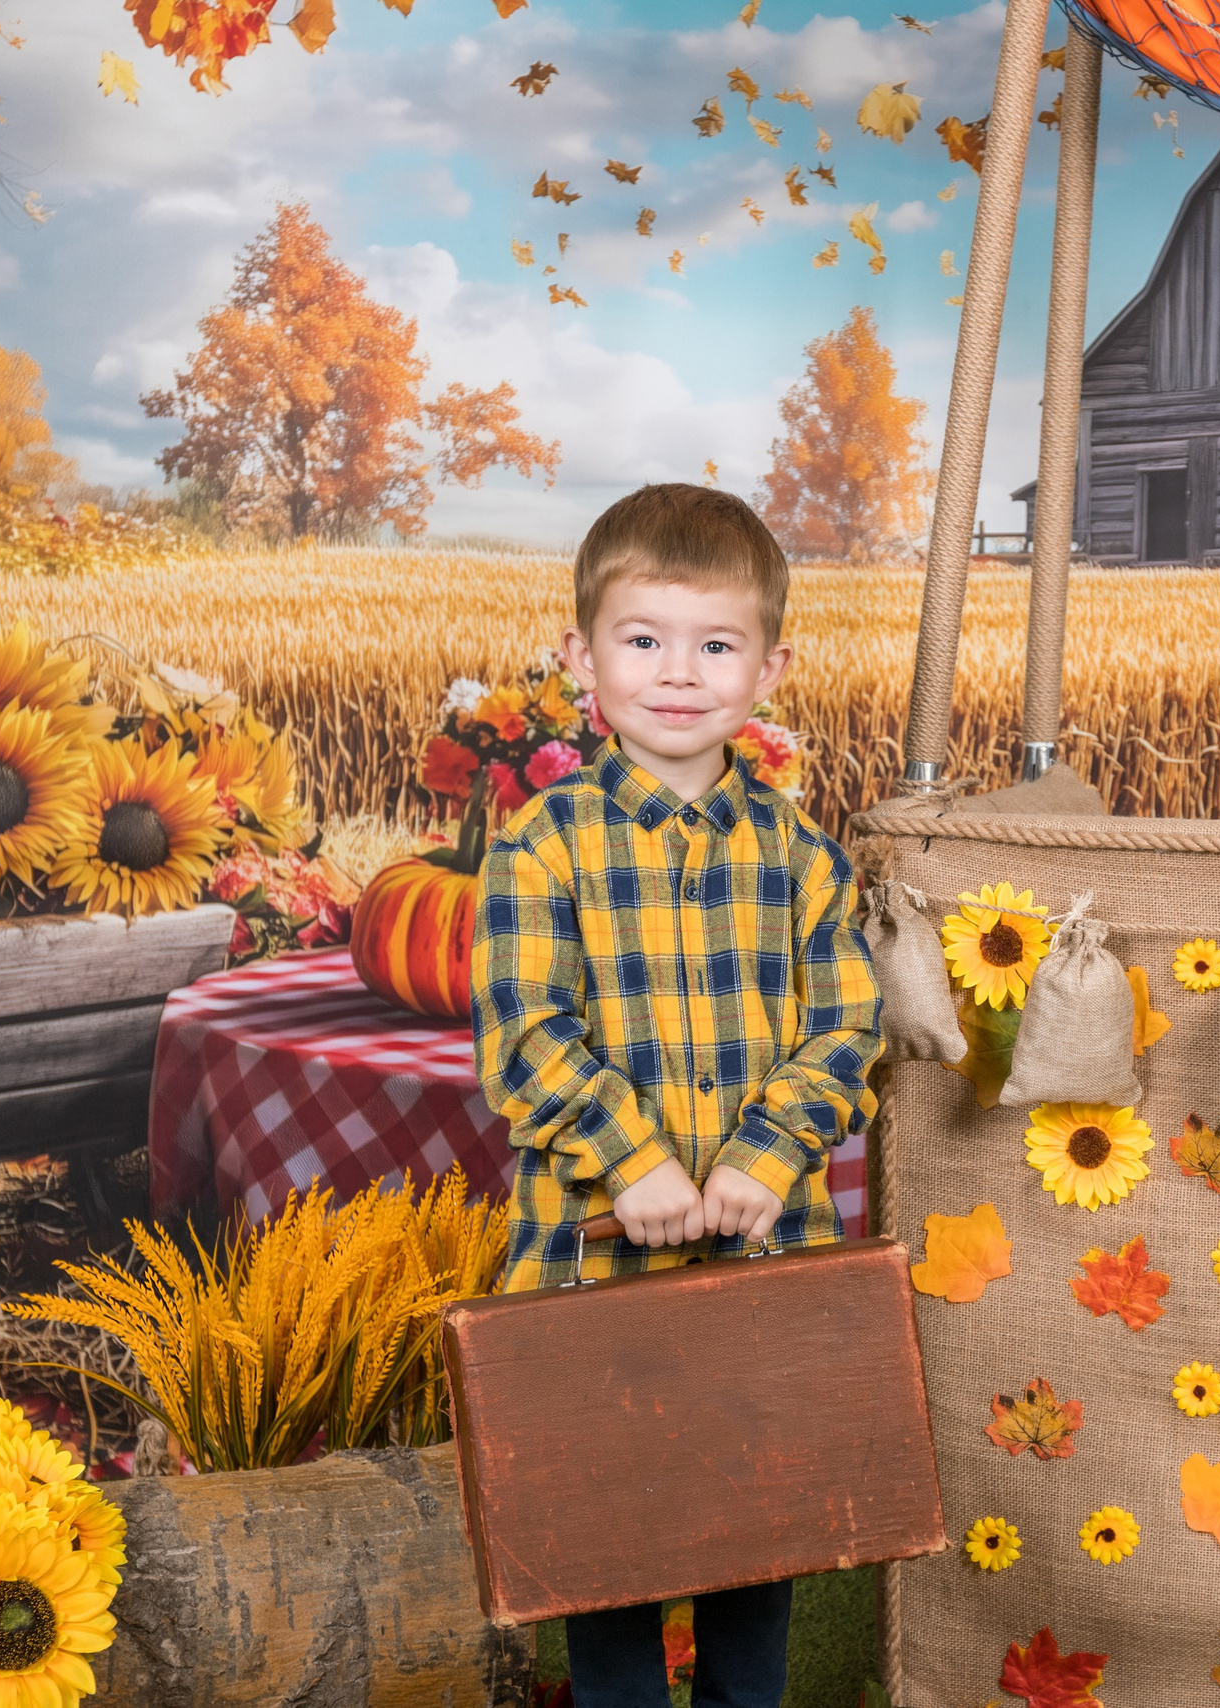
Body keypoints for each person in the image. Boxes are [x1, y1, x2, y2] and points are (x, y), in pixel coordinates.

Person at [469, 482, 884, 1708]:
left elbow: (846, 1029)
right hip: (592, 1261)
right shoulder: (542, 843)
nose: (677, 673)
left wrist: (762, 1157)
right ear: (579, 654)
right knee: (613, 1552)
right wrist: (634, 1163)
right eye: (642, 640)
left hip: (763, 1258)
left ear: (769, 667)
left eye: (715, 645)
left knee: (753, 1545)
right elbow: (524, 1035)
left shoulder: (803, 854)